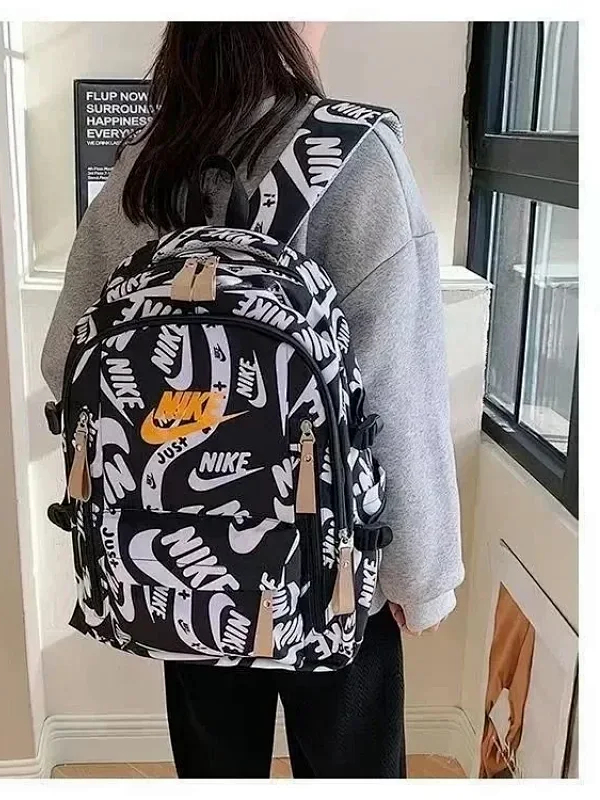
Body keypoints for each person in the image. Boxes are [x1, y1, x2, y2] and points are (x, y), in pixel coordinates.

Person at [41, 22, 463, 779]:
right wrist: (419, 577)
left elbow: (63, 362)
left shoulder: (149, 162)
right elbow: (399, 392)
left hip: (183, 567)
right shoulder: (357, 156)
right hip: (331, 568)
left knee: (214, 769)